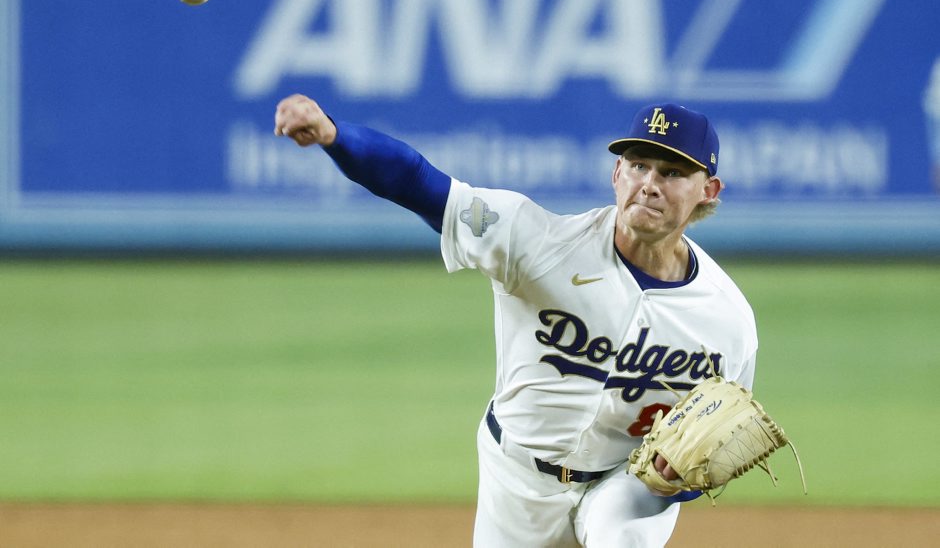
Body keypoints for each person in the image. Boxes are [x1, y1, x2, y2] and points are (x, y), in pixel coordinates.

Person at [274, 95, 757, 547]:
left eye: (672, 172)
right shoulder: (537, 241)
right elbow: (419, 183)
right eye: (638, 165)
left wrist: (682, 481)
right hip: (518, 478)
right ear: (617, 173)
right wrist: (333, 135)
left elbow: (717, 442)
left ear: (708, 190)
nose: (649, 183)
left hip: (627, 484)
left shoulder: (726, 319)